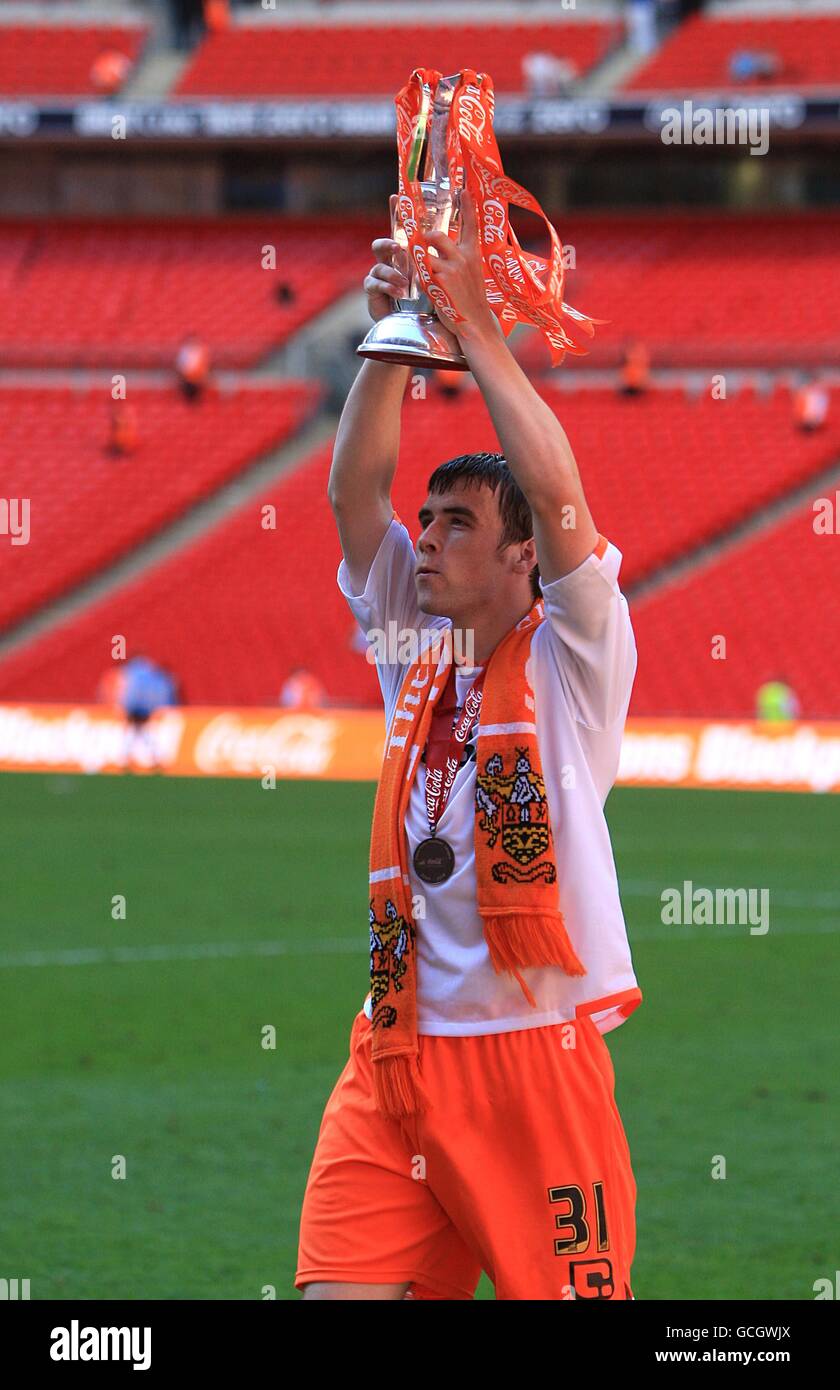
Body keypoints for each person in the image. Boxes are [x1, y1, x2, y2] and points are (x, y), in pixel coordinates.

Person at [295, 189, 641, 1301]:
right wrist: (395, 335)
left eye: (456, 524)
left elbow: (557, 490)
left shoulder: (573, 657)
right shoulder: (415, 648)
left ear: (521, 560)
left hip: (529, 1057)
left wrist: (477, 330)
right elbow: (355, 493)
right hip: (392, 1053)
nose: (427, 538)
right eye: (429, 519)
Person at [118, 655, 178, 772]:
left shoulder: (134, 673)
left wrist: (127, 707)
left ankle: (125, 759)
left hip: (135, 709)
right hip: (144, 709)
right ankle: (154, 758)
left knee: (135, 734)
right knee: (143, 734)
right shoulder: (153, 675)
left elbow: (132, 693)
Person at [175, 334, 210, 402]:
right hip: (188, 379)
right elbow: (181, 366)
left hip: (197, 379)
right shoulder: (184, 351)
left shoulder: (201, 351)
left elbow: (204, 365)